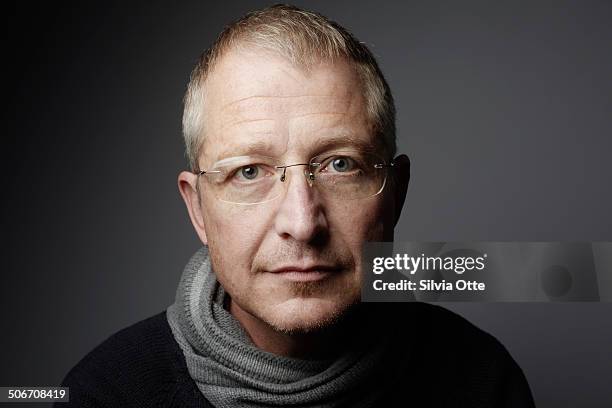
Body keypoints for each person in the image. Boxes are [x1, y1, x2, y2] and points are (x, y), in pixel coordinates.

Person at [59, 4, 535, 407]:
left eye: (340, 165)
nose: (302, 223)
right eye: (249, 171)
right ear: (198, 209)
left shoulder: (480, 379)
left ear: (396, 192)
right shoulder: (103, 394)